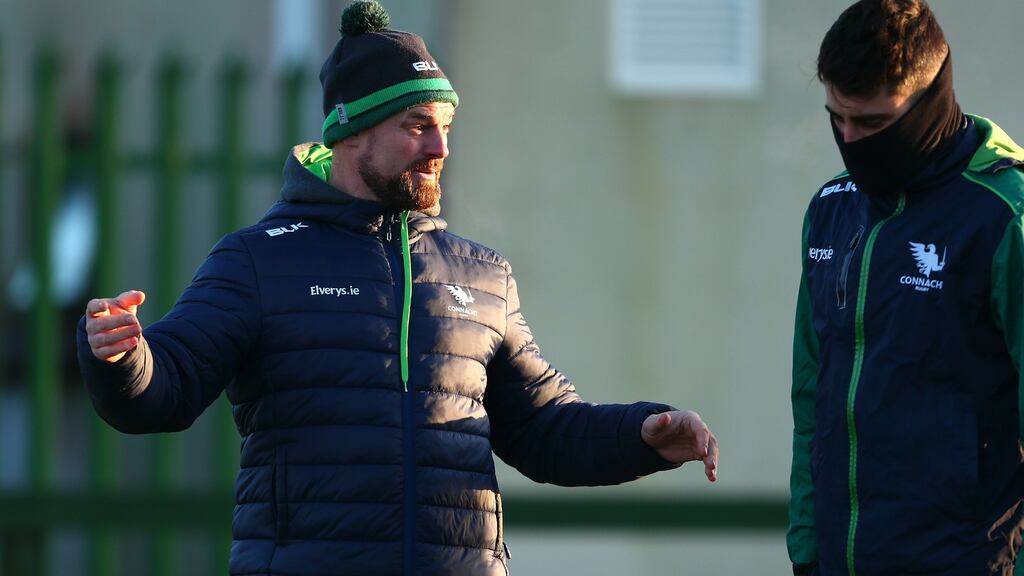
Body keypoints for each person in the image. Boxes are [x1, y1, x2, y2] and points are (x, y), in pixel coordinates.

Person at [77, 2, 719, 575]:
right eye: (417, 125)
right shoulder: (256, 260)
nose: (439, 145)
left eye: (445, 124)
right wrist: (122, 357)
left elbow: (544, 431)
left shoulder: (482, 273)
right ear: (351, 131)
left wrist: (642, 436)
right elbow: (162, 394)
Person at [788, 1, 1024, 574]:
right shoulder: (830, 209)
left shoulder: (1003, 216)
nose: (849, 138)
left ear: (931, 97)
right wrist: (805, 545)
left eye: (871, 124)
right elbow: (811, 395)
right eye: (836, 119)